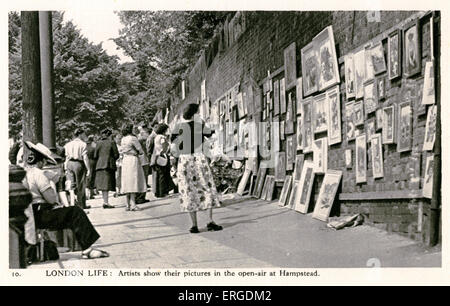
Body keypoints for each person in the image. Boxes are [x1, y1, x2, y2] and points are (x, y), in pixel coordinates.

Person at [22, 141, 109, 259]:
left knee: (68, 213)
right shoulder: (39, 174)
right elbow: (51, 199)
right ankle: (87, 249)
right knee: (75, 212)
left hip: (30, 214)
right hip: (40, 213)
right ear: (41, 161)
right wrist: (52, 184)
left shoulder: (25, 172)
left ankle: (79, 246)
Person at [171, 103, 222, 233]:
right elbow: (213, 137)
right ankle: (210, 221)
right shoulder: (200, 126)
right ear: (194, 114)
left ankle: (194, 225)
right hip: (199, 159)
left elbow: (173, 148)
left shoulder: (177, 128)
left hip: (185, 160)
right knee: (206, 187)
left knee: (188, 190)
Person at [120, 124, 146, 211]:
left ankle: (127, 204)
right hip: (133, 159)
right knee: (133, 180)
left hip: (125, 160)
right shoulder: (133, 138)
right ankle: (133, 204)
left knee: (127, 180)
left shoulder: (123, 139)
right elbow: (140, 150)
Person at [64, 128, 91, 209]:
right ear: (80, 134)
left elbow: (66, 157)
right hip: (78, 164)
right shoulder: (83, 144)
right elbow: (85, 157)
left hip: (69, 164)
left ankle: (72, 204)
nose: (84, 135)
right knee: (81, 184)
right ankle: (81, 205)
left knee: (71, 185)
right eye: (83, 134)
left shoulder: (68, 144)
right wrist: (88, 169)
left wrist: (65, 167)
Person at [94, 129, 120, 209]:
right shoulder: (111, 142)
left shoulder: (98, 143)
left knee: (103, 184)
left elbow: (95, 155)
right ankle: (106, 202)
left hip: (100, 165)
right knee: (106, 184)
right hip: (109, 165)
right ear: (109, 135)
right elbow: (116, 155)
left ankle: (105, 201)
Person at [151, 123, 176, 198]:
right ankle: (163, 192)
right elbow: (164, 146)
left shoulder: (156, 137)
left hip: (157, 156)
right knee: (163, 174)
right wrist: (166, 151)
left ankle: (159, 192)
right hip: (162, 156)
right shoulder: (162, 137)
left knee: (159, 175)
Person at [136, 124, 150, 204]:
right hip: (143, 161)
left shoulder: (138, 139)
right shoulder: (139, 138)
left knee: (143, 179)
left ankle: (141, 196)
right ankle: (141, 197)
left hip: (143, 160)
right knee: (144, 178)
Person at [86, 135, 97, 200]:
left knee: (87, 177)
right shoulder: (93, 146)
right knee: (92, 177)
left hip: (86, 162)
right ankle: (91, 193)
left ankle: (87, 193)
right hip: (92, 162)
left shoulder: (85, 145)